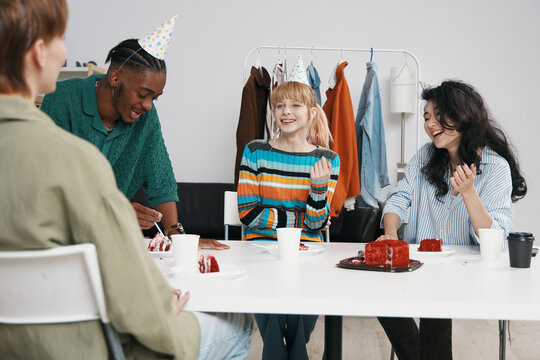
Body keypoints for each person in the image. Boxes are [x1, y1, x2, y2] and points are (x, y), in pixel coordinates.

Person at [0, 1, 251, 358]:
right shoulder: (74, 156)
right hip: (81, 342)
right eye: (61, 39)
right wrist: (162, 307)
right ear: (39, 53)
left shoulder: (87, 146)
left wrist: (177, 234)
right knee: (236, 327)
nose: (64, 52)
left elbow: (159, 172)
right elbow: (133, 301)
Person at [376, 80, 527, 360]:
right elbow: (398, 198)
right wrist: (391, 234)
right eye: (426, 117)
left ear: (462, 116)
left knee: (437, 303)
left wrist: (469, 193)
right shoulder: (425, 156)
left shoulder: (495, 168)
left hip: (468, 272)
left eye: (438, 115)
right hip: (421, 265)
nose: (431, 124)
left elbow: (495, 237)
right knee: (377, 291)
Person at [41, 34, 226, 249]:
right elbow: (52, 182)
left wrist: (178, 237)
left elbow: (161, 177)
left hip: (107, 242)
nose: (148, 105)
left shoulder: (145, 117)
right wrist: (115, 211)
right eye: (143, 94)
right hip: (56, 239)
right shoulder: (61, 99)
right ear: (115, 78)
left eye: (154, 97)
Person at [237, 81, 340, 359]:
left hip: (308, 253)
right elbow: (248, 214)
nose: (286, 111)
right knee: (278, 309)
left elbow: (316, 225)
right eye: (280, 105)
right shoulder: (255, 151)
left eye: (295, 105)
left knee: (295, 319)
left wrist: (318, 188)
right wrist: (301, 219)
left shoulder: (328, 159)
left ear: (311, 111)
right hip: (259, 251)